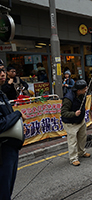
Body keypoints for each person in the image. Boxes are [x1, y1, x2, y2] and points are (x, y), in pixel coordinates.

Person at [0, 66, 27, 199]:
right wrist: (17, 114)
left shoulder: (2, 95)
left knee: (7, 189)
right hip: (2, 150)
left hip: (11, 149)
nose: (2, 74)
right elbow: (1, 124)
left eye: (3, 70)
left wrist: (20, 126)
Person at [61, 80, 91, 166]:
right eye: (84, 89)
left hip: (80, 120)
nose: (86, 90)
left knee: (82, 137)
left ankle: (81, 152)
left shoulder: (82, 94)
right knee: (72, 141)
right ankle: (73, 158)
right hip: (70, 123)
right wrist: (74, 114)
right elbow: (63, 112)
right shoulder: (68, 98)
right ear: (79, 90)